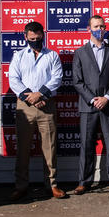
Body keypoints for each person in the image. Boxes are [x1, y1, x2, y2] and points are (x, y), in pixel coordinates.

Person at [8, 21, 66, 200]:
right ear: (25, 37)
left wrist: (40, 95)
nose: (35, 41)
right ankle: (21, 186)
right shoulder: (18, 56)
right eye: (31, 39)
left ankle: (52, 185)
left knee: (49, 148)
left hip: (46, 106)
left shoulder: (52, 55)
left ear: (43, 35)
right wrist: (30, 97)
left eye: (38, 38)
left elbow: (57, 78)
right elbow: (13, 80)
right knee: (23, 149)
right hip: (25, 108)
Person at [72, 15, 109, 194]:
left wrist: (107, 98)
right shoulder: (80, 53)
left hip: (108, 105)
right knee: (87, 144)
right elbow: (77, 81)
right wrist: (93, 99)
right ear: (89, 28)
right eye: (96, 26)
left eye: (102, 26)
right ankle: (84, 181)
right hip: (88, 106)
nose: (99, 29)